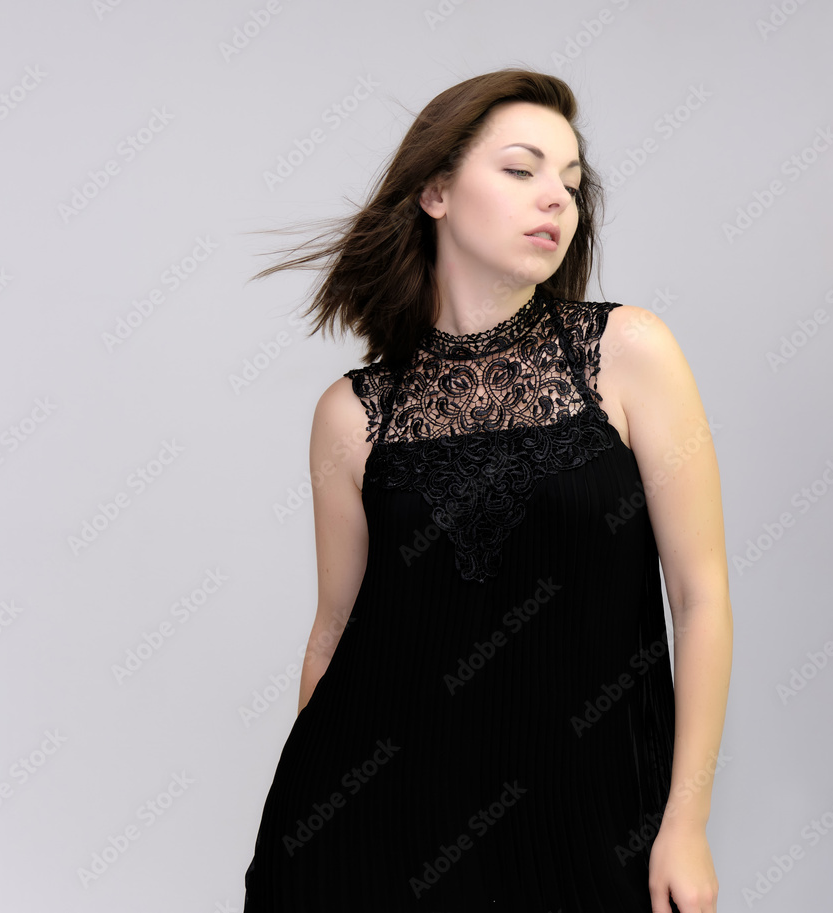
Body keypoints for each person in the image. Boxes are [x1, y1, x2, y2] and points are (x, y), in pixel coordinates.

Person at [241, 67, 733, 913]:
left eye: (573, 183)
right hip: (372, 835)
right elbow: (333, 635)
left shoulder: (627, 354)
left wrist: (684, 825)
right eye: (521, 170)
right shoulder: (352, 415)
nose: (557, 198)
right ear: (435, 190)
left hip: (592, 821)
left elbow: (701, 596)